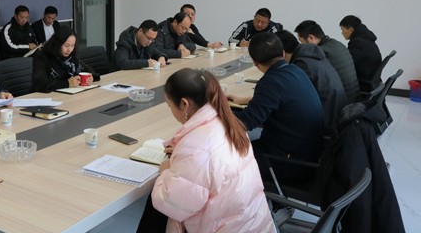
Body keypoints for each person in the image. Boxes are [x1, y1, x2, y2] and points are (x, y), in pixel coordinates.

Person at [137, 68, 275, 233]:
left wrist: (166, 171)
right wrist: (183, 155)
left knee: (156, 205)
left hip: (226, 227)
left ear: (184, 104)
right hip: (253, 223)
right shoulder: (228, 122)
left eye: (169, 105)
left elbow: (171, 203)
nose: (171, 111)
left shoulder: (197, 147)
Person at [228, 32, 324, 182]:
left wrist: (216, 112)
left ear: (255, 62)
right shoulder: (295, 70)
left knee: (224, 157)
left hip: (287, 163)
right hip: (309, 154)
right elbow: (280, 101)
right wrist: (242, 101)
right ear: (283, 53)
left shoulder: (270, 82)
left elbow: (245, 123)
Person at [276, 30, 347, 134]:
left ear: (282, 53)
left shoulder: (301, 64)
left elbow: (293, 99)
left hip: (324, 124)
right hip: (334, 115)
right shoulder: (311, 55)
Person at [295, 20, 360, 104]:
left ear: (311, 38)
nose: (301, 45)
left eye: (301, 41)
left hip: (342, 103)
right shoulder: (337, 43)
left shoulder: (320, 53)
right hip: (355, 98)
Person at [32, 26, 100, 92]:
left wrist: (91, 78)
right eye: (66, 46)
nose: (69, 50)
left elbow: (87, 70)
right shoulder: (43, 57)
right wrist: (67, 83)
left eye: (72, 46)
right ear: (57, 43)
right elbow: (39, 84)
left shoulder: (72, 57)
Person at [339, 15, 382, 91]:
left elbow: (347, 62)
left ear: (351, 30)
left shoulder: (359, 43)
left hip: (363, 82)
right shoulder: (365, 39)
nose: (342, 33)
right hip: (370, 78)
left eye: (342, 29)